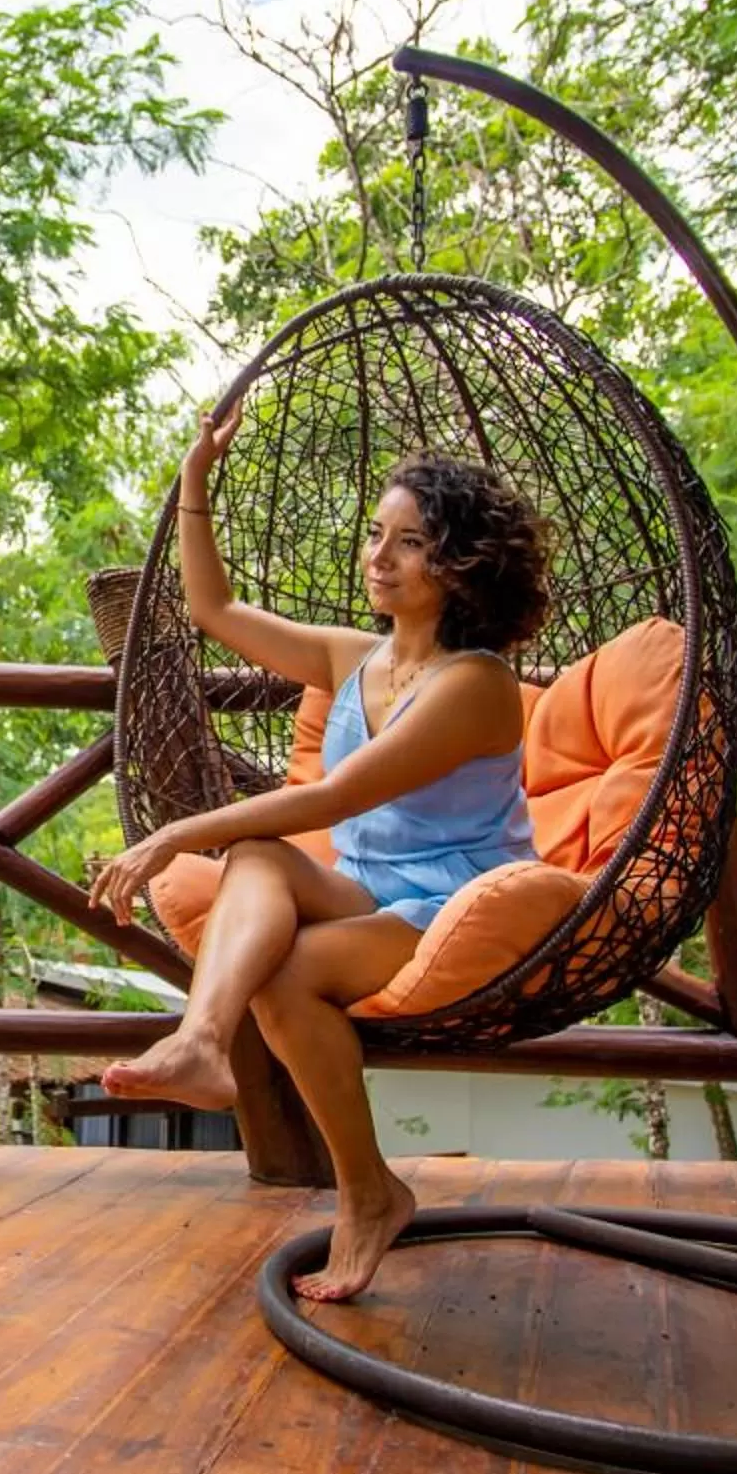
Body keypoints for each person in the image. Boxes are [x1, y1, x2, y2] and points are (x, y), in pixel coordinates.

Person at [89, 402, 552, 1302]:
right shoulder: (358, 658)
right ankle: (201, 1042)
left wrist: (176, 833)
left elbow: (338, 797)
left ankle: (368, 1193)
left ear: (461, 566)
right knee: (260, 854)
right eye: (376, 534)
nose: (379, 557)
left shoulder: (477, 685)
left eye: (409, 543)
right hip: (372, 889)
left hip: (458, 904)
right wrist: (194, 479)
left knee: (287, 972)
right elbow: (213, 609)